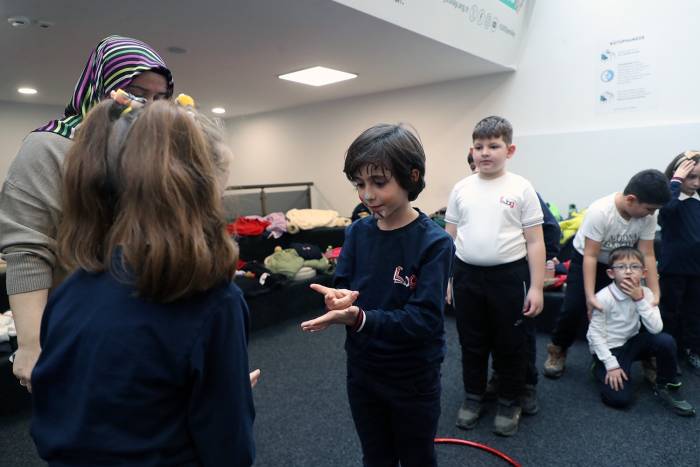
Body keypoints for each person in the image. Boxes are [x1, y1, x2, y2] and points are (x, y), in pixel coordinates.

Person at [30, 97, 256, 465]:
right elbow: (229, 451)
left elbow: (76, 412)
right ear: (192, 190)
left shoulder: (71, 289)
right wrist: (225, 395)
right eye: (221, 188)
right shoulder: (212, 300)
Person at [0, 35, 174, 392]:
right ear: (105, 86)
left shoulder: (151, 157)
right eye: (138, 92)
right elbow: (28, 251)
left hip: (146, 317)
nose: (148, 108)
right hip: (79, 324)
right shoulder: (50, 148)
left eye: (160, 98)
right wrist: (31, 346)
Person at [301, 124, 454, 467]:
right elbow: (344, 284)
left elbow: (425, 320)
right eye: (359, 184)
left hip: (412, 375)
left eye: (379, 183)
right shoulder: (357, 232)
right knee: (376, 455)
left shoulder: (434, 242)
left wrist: (359, 317)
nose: (367, 194)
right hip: (363, 368)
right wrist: (338, 300)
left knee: (417, 456)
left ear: (411, 177)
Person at [445, 115, 545, 436]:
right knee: (471, 342)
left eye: (493, 146)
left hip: (508, 278)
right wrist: (447, 280)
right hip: (466, 276)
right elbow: (449, 238)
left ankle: (508, 401)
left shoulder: (522, 187)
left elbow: (535, 241)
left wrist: (537, 288)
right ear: (471, 151)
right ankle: (474, 397)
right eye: (478, 146)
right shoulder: (461, 188)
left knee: (510, 343)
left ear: (510, 149)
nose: (485, 152)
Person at [543, 169, 670, 379]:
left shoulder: (648, 214)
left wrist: (654, 294)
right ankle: (558, 348)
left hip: (622, 263)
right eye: (649, 209)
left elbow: (647, 253)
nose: (651, 214)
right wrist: (590, 297)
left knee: (640, 304)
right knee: (573, 307)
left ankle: (647, 356)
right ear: (631, 199)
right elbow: (591, 256)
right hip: (588, 260)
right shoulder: (600, 211)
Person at [587, 246, 694, 416]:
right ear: (611, 274)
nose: (628, 272)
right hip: (610, 349)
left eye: (634, 267)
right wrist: (610, 364)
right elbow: (593, 335)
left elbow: (656, 328)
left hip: (632, 341)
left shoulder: (646, 293)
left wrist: (639, 299)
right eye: (621, 267)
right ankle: (598, 367)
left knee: (666, 341)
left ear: (644, 273)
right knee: (619, 399)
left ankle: (665, 382)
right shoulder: (603, 297)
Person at [659, 151, 700, 374]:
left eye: (699, 177)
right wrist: (675, 182)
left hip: (697, 269)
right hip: (673, 269)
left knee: (694, 312)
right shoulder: (671, 201)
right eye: (690, 177)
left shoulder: (698, 200)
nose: (695, 183)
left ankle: (691, 350)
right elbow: (665, 210)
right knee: (670, 313)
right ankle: (668, 354)